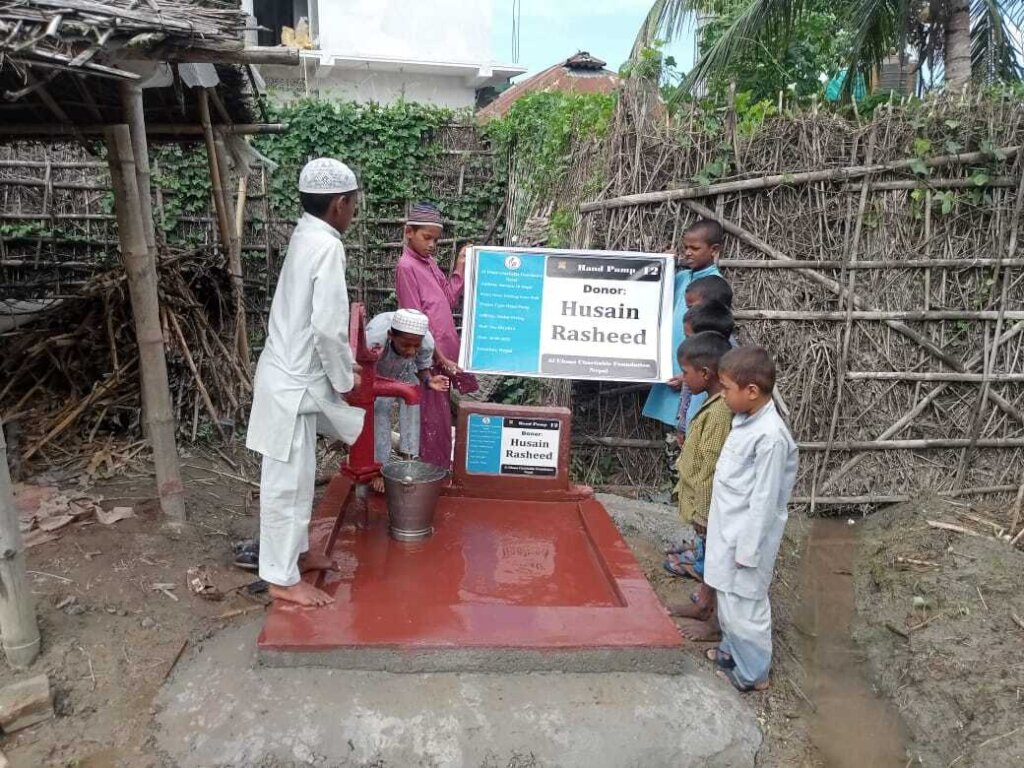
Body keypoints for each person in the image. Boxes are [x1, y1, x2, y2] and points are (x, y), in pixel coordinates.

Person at [246, 158, 365, 608]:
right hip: (289, 385)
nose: (353, 213)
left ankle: (296, 554)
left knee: (299, 478)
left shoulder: (306, 234)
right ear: (339, 204)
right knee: (283, 484)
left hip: (290, 379)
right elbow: (328, 326)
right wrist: (345, 377)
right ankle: (280, 579)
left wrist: (341, 369)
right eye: (352, 205)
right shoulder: (328, 247)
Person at [703, 346, 798, 692]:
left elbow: (764, 501)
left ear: (751, 391)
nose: (723, 395)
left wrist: (748, 550)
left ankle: (753, 674)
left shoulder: (771, 438)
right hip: (729, 531)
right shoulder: (746, 421)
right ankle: (733, 653)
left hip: (746, 540)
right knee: (729, 603)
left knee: (746, 609)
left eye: (727, 389)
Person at [662, 333, 734, 646]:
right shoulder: (712, 403)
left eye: (686, 372)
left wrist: (703, 513)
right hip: (703, 506)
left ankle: (715, 622)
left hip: (711, 508)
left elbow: (709, 468)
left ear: (704, 374)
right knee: (707, 556)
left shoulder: (720, 414)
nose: (684, 379)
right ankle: (703, 604)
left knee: (718, 562)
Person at [394, 202, 476, 470]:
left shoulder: (429, 263)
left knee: (441, 420)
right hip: (429, 361)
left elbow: (449, 298)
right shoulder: (406, 267)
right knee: (432, 421)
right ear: (409, 232)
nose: (432, 245)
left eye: (435, 240)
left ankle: (437, 472)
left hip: (443, 356)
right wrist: (440, 358)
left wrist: (461, 265)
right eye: (426, 238)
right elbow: (416, 325)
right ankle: (431, 476)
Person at [642, 219, 724, 431]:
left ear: (714, 249)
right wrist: (664, 267)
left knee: (687, 429)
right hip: (672, 372)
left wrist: (688, 377)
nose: (688, 252)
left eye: (695, 248)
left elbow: (713, 338)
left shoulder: (713, 285)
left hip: (689, 376)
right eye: (685, 247)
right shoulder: (681, 277)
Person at [365, 308, 451, 491]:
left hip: (405, 372)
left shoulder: (426, 342)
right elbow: (363, 372)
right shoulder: (374, 341)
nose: (411, 350)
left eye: (415, 346)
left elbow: (422, 369)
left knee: (412, 402)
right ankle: (380, 468)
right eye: (405, 345)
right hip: (377, 374)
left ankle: (408, 461)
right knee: (380, 410)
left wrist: (429, 381)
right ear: (391, 336)